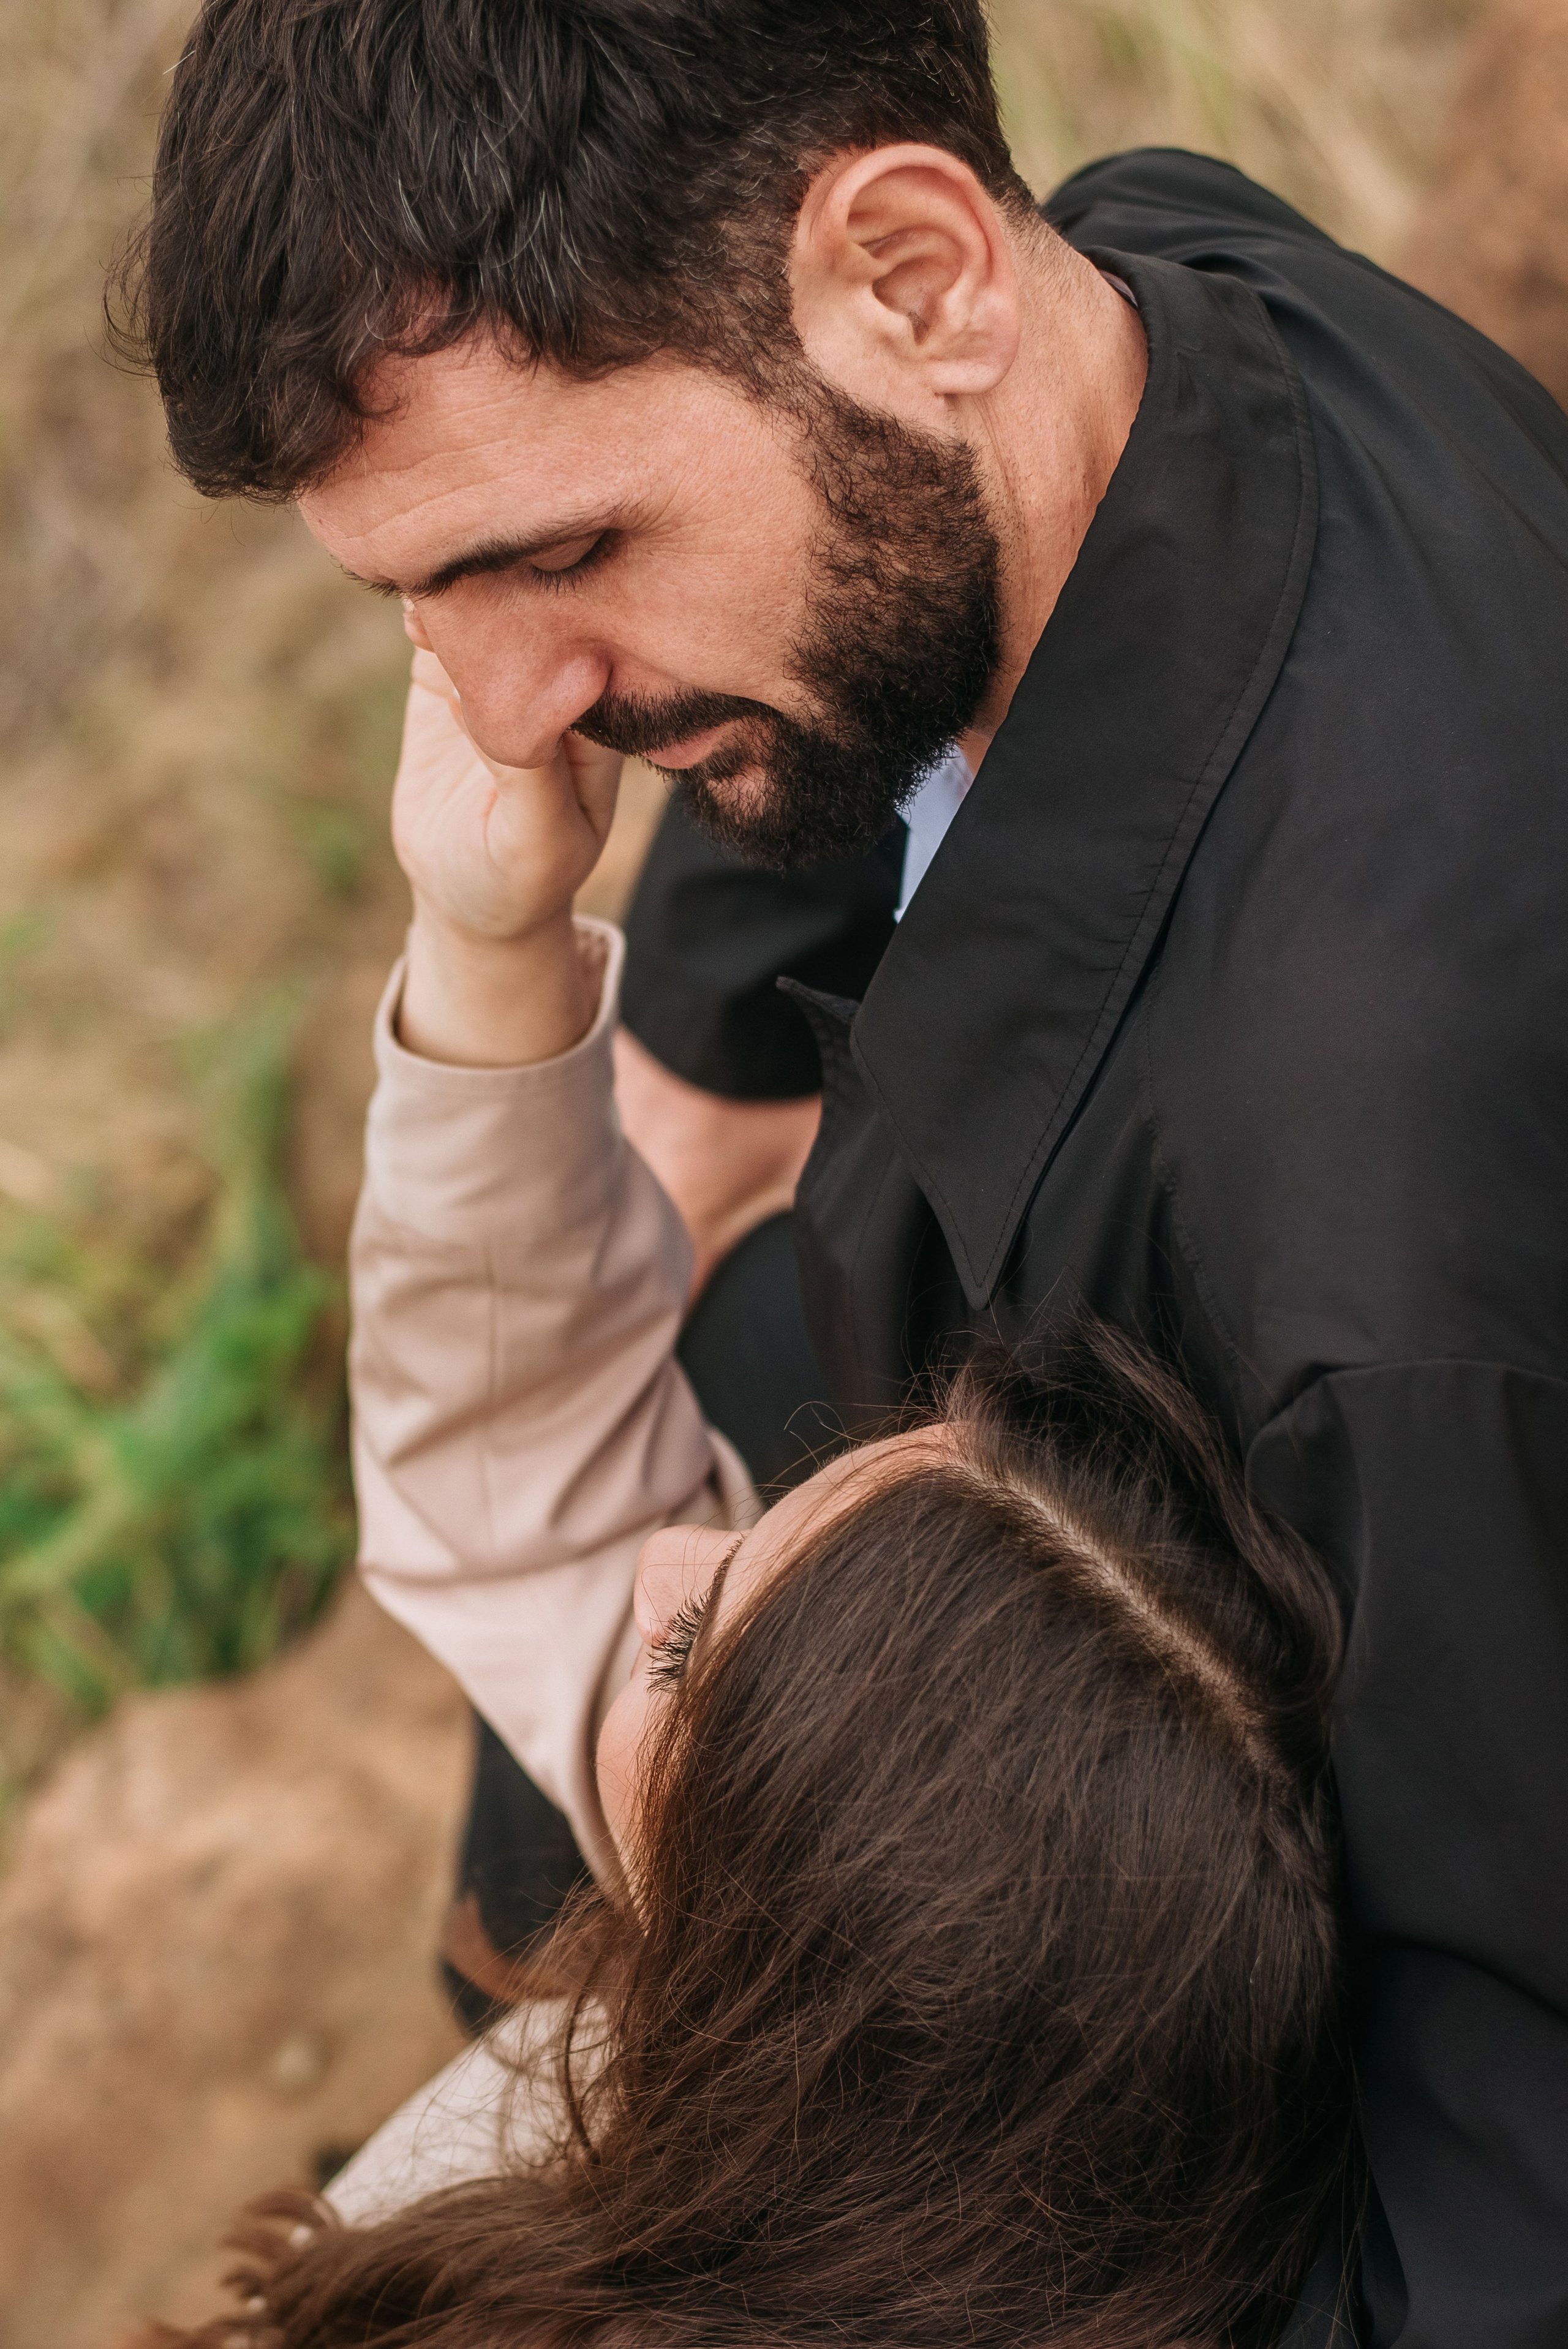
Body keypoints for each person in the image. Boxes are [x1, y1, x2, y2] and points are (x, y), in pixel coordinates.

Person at [117, 3, 1568, 2340]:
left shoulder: (1356, 1285)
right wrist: (641, 1006)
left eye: (560, 548)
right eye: (413, 601)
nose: (503, 717)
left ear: (914, 278)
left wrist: (785, 2219)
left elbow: (1496, 2232)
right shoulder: (1171, 289)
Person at [146, 667, 1350, 2345]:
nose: (658, 1553)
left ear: (771, 1979)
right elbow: (547, 1503)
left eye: (689, 1647)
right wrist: (492, 939)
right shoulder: (874, 2167)